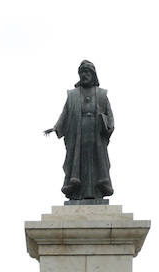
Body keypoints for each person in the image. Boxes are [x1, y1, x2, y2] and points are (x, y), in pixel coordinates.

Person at [44, 60, 114, 201]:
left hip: (96, 133)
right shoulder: (72, 95)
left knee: (96, 161)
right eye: (82, 72)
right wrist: (56, 127)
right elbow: (65, 113)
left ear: (93, 75)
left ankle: (99, 189)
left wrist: (108, 126)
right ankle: (75, 189)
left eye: (87, 72)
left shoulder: (101, 94)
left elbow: (110, 115)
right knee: (77, 159)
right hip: (77, 132)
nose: (84, 75)